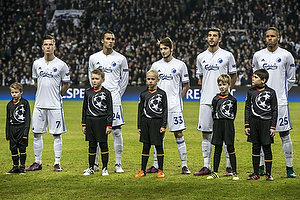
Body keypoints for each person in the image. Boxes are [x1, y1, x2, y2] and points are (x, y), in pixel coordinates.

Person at [252, 27, 296, 178]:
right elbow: (256, 78)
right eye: (267, 36)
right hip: (262, 104)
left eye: (272, 36)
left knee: (284, 134)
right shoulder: (258, 55)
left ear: (278, 38)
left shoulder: (286, 55)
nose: (269, 39)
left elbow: (291, 79)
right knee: (263, 135)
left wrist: (280, 93)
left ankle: (289, 167)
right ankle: (261, 167)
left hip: (281, 102)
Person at [194, 28, 237, 176]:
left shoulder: (227, 55)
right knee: (206, 133)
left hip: (223, 101)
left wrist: (227, 94)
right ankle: (206, 166)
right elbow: (200, 78)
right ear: (207, 38)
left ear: (220, 39)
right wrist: (208, 89)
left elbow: (233, 75)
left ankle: (228, 167)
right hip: (206, 100)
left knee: (225, 135)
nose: (212, 38)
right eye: (210, 35)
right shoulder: (201, 57)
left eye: (215, 36)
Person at [26, 35, 70, 172]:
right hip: (39, 105)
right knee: (37, 134)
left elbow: (66, 84)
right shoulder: (36, 63)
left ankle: (57, 163)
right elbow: (36, 81)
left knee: (57, 135)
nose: (48, 47)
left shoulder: (61, 65)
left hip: (55, 106)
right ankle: (37, 162)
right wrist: (42, 94)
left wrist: (58, 96)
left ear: (54, 47)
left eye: (51, 44)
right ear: (42, 47)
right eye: (46, 44)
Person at [88, 30, 129, 173]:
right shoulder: (94, 58)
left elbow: (124, 81)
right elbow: (91, 77)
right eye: (108, 39)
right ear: (102, 40)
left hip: (114, 100)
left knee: (116, 131)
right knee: (98, 132)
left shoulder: (121, 58)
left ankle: (118, 164)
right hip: (98, 100)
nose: (110, 41)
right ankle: (96, 164)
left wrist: (116, 96)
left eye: (112, 39)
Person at [150, 37, 191, 174]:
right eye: (161, 49)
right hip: (159, 107)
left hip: (174, 106)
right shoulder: (155, 65)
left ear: (171, 49)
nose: (163, 51)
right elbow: (151, 84)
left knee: (178, 133)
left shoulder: (180, 65)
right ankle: (156, 165)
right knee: (158, 135)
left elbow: (186, 84)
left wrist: (179, 100)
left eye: (165, 48)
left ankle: (184, 165)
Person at [245, 69, 277, 181]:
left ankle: (268, 173)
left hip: (266, 123)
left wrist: (273, 127)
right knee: (255, 147)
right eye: (253, 76)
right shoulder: (250, 92)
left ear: (263, 80)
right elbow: (247, 108)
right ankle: (255, 173)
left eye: (255, 77)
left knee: (267, 148)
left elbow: (274, 110)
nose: (252, 78)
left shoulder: (271, 92)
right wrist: (247, 124)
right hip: (254, 123)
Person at [135, 69, 168, 178]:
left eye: (153, 79)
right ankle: (142, 170)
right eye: (148, 79)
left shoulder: (162, 94)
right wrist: (139, 126)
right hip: (145, 123)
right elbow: (140, 111)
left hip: (157, 122)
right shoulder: (143, 94)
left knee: (159, 146)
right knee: (145, 146)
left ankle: (161, 170)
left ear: (157, 80)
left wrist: (164, 125)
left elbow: (165, 111)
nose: (150, 81)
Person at [206, 74, 239, 180]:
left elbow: (234, 113)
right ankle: (215, 172)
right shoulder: (215, 99)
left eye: (224, 84)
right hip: (218, 125)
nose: (222, 87)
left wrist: (228, 121)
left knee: (230, 148)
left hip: (228, 125)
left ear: (229, 85)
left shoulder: (233, 99)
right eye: (220, 85)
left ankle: (234, 172)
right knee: (217, 148)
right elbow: (213, 112)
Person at [82, 68, 113, 176]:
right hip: (90, 121)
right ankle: (91, 167)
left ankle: (105, 168)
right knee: (92, 145)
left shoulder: (106, 93)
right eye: (92, 79)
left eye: (97, 79)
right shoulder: (88, 92)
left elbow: (110, 110)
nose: (94, 81)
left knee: (103, 145)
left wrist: (109, 125)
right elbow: (84, 108)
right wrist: (84, 123)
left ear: (103, 80)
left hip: (102, 121)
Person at [6, 82, 31, 174]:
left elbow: (27, 119)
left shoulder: (25, 103)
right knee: (13, 148)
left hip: (21, 128)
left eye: (16, 92)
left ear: (21, 92)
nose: (14, 94)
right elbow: (7, 120)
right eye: (12, 92)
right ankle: (15, 166)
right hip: (12, 129)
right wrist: (7, 133)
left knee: (22, 148)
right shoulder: (9, 105)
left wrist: (25, 132)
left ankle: (22, 167)